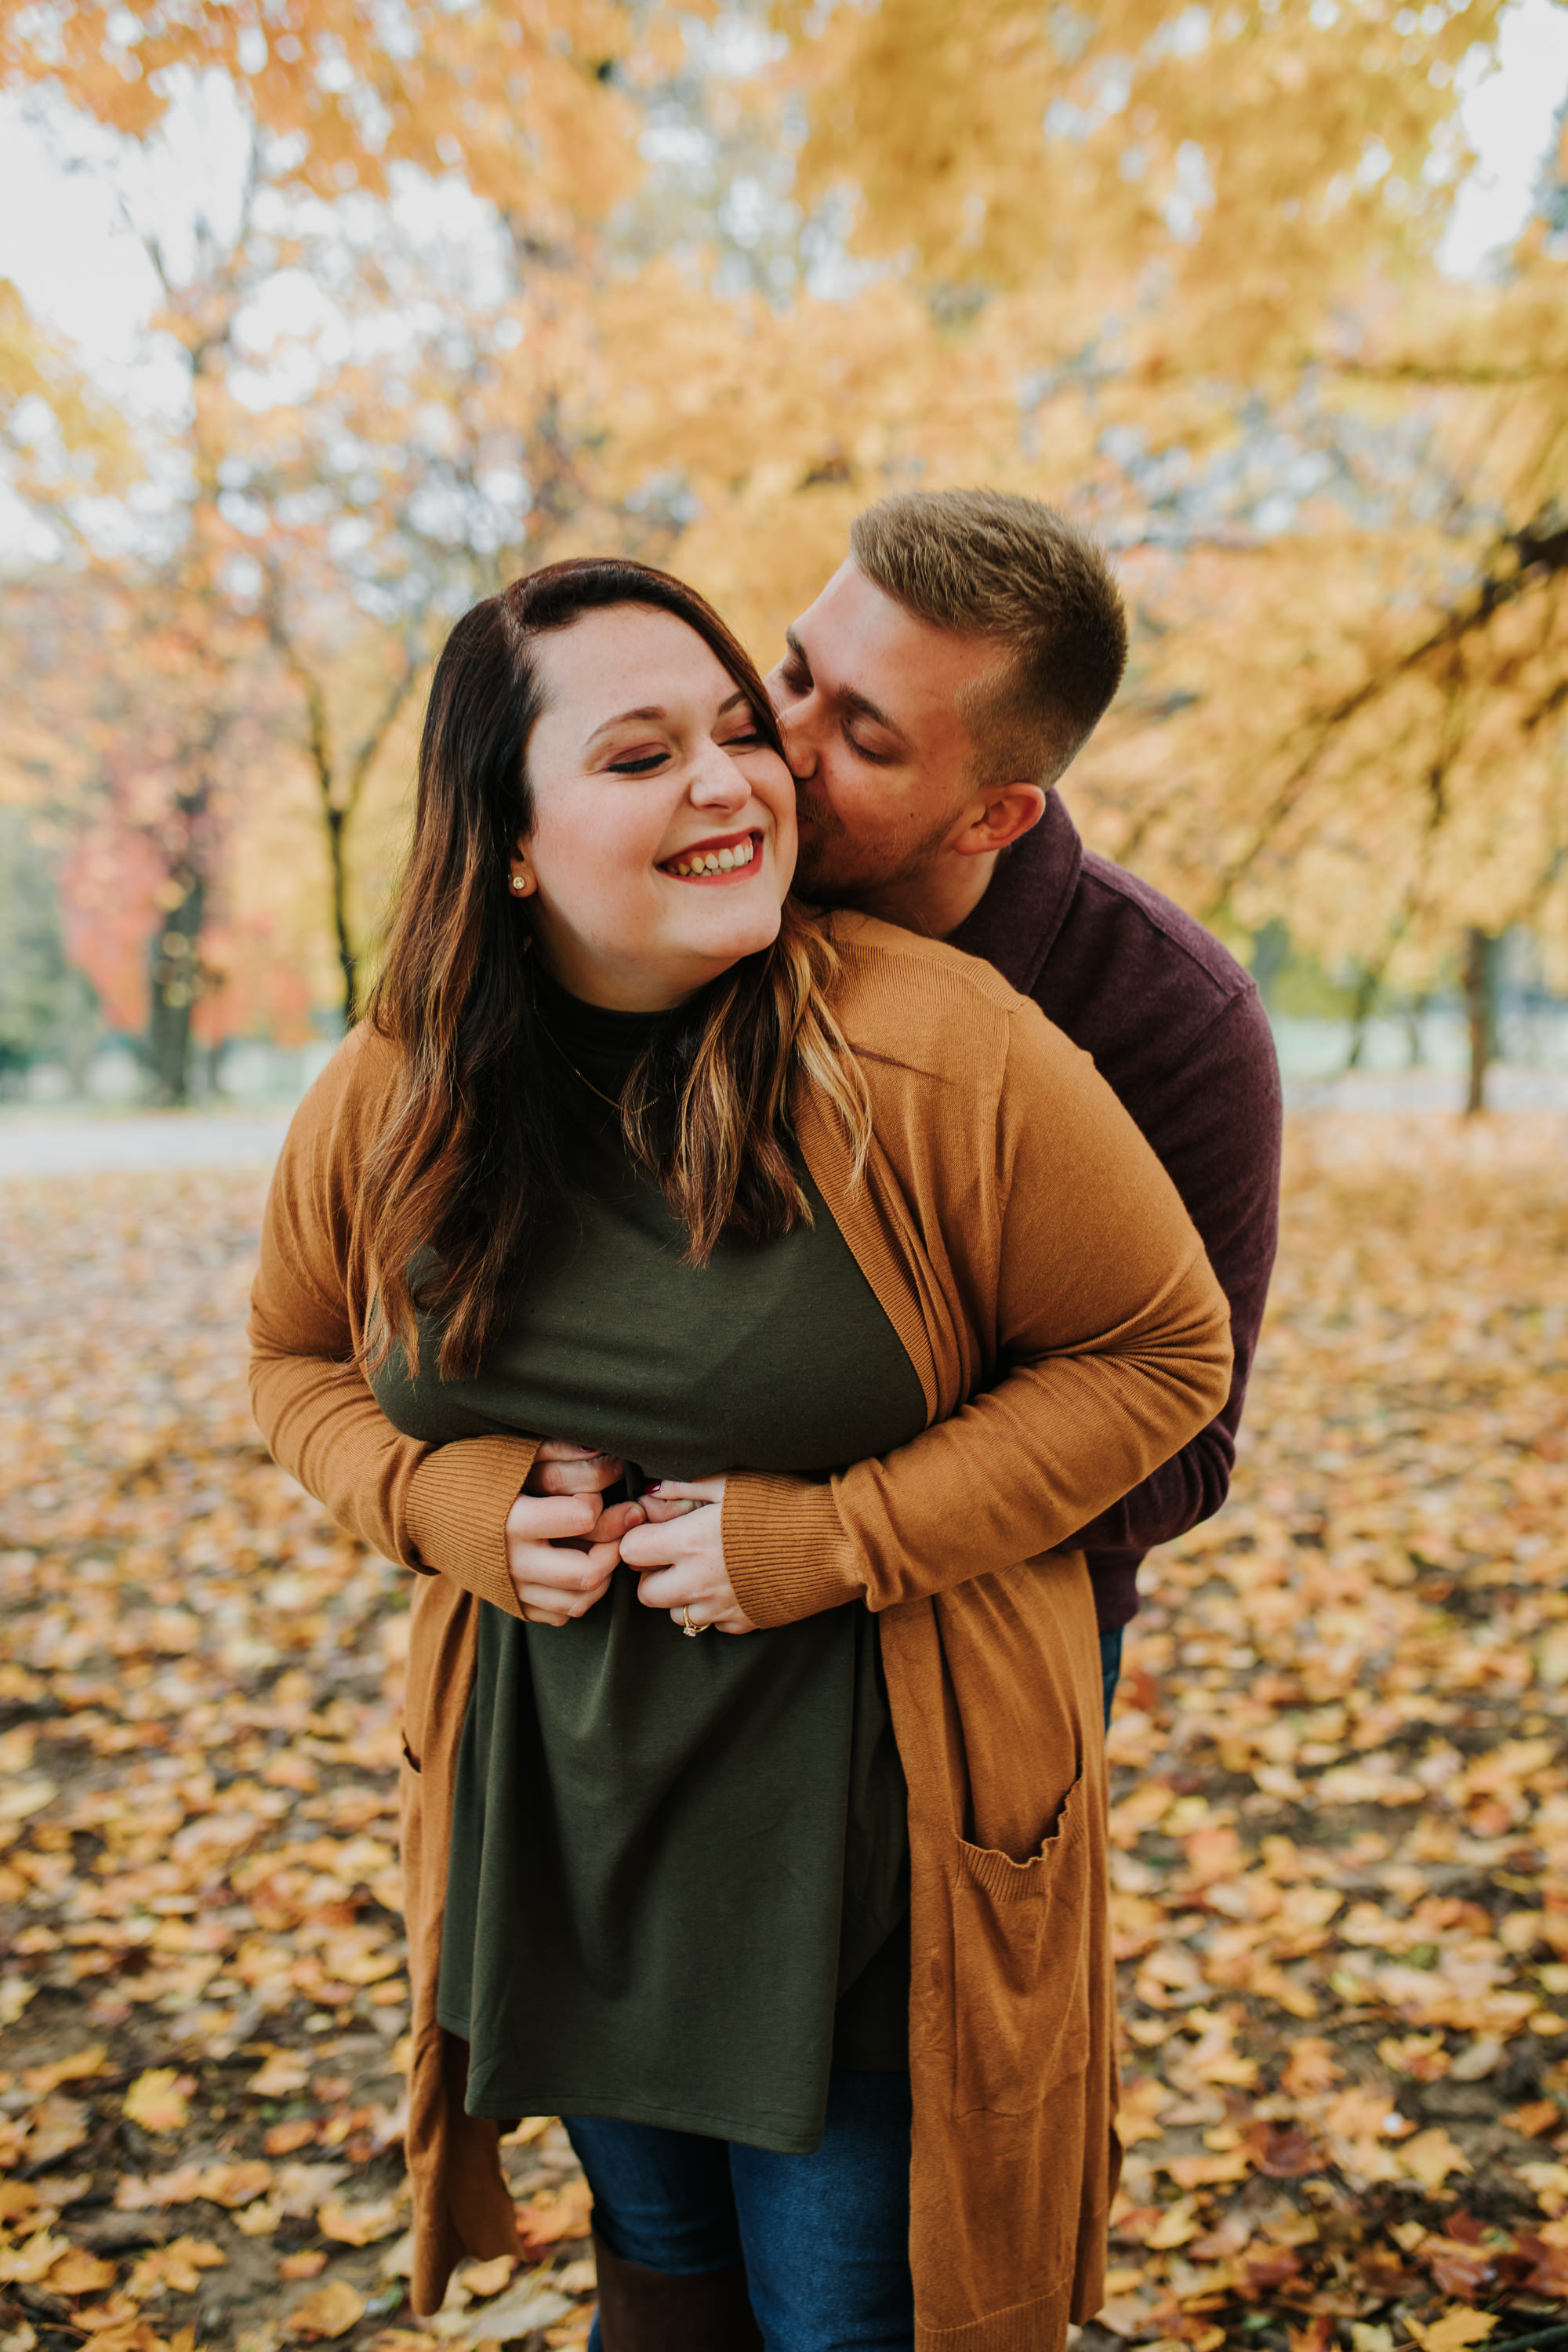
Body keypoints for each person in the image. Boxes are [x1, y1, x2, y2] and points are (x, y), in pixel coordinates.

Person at [249, 557, 1232, 2352]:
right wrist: (438, 1500)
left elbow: (1161, 1357)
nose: (734, 775)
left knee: (852, 2318)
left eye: (733, 730)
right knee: (661, 2288)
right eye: (641, 754)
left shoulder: (939, 1053)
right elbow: (293, 1362)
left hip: (870, 1857)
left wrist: (839, 1534)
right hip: (566, 1827)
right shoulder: (396, 1090)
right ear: (512, 841)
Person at [524, 492, 1282, 1729]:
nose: (781, 742)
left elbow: (1181, 1450)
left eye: (867, 741)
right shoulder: (682, 903)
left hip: (978, 1655)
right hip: (638, 1636)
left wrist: (832, 1520)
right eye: (792, 672)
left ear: (996, 814)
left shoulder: (1172, 1021)